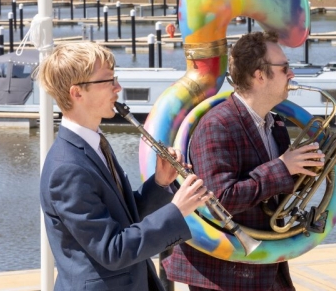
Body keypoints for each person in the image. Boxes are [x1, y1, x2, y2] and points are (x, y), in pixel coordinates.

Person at [37, 42, 210, 291]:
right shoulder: (67, 169)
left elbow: (124, 221)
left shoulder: (95, 145)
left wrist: (160, 183)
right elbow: (112, 250)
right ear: (77, 93)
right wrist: (177, 210)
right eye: (108, 81)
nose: (118, 88)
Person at [163, 31, 325, 291]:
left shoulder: (276, 125)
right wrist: (283, 167)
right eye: (284, 68)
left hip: (265, 266)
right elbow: (219, 200)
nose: (291, 74)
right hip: (226, 273)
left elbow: (274, 192)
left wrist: (305, 170)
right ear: (259, 75)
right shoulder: (217, 124)